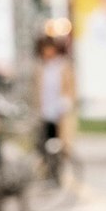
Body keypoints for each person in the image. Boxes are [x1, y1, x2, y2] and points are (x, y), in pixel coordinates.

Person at [36, 36, 76, 185]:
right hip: (44, 112)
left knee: (59, 145)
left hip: (60, 112)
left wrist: (66, 103)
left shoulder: (63, 67)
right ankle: (48, 173)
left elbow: (71, 87)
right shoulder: (40, 68)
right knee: (44, 144)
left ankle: (57, 173)